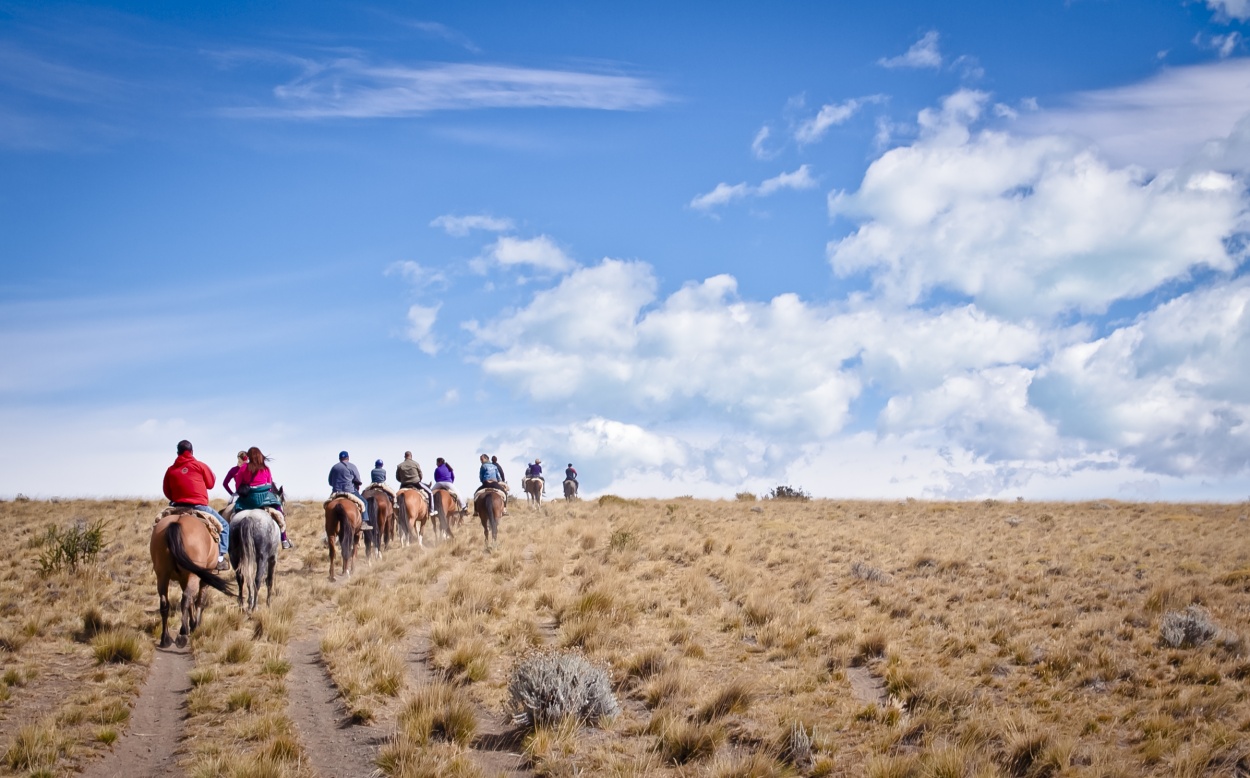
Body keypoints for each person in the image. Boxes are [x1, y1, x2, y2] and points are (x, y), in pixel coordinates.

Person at [162, 440, 229, 570]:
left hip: (177, 506)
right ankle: (220, 558)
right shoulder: (200, 465)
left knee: (158, 523)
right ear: (192, 452)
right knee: (225, 526)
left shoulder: (170, 470)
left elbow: (167, 491)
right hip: (199, 506)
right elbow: (211, 483)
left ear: (178, 453)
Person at [235, 446, 293, 549]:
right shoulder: (266, 468)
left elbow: (238, 485)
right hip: (264, 498)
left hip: (248, 499)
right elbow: (269, 485)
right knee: (279, 510)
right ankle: (284, 539)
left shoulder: (244, 468)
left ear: (249, 457)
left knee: (235, 511)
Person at [328, 451, 371, 529]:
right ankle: (364, 522)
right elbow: (358, 479)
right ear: (348, 458)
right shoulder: (352, 466)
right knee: (364, 503)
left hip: (336, 492)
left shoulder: (334, 467)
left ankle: (328, 524)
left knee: (326, 505)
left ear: (339, 458)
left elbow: (330, 482)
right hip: (350, 491)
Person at [363, 458, 397, 528]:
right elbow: (384, 478)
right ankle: (395, 504)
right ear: (381, 465)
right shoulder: (383, 471)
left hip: (373, 484)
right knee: (393, 493)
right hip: (382, 485)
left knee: (363, 492)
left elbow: (372, 478)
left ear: (375, 465)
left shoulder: (372, 471)